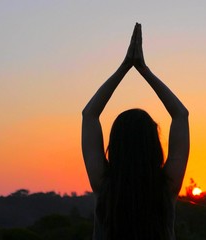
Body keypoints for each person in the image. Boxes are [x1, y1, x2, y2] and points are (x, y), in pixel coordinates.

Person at [81, 23, 189, 240]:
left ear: (115, 145)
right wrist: (143, 69)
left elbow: (90, 115)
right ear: (154, 145)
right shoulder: (166, 187)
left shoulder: (104, 185)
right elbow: (180, 115)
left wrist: (124, 67)